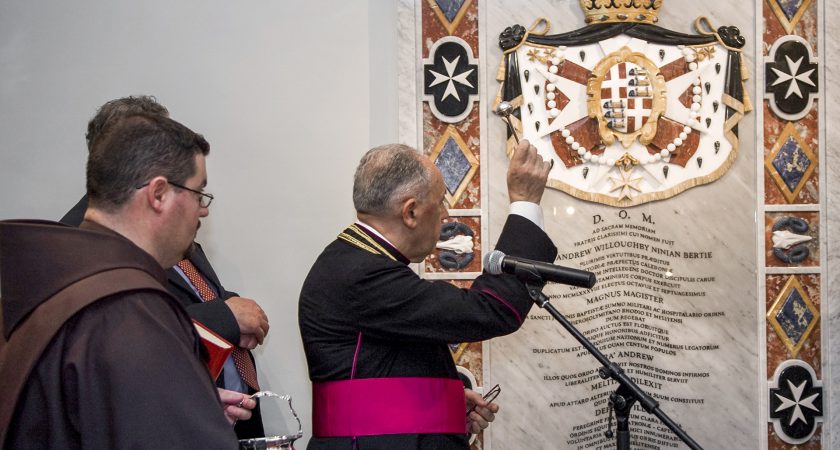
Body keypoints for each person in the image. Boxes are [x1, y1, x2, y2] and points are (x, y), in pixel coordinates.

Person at [0, 113, 254, 448]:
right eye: (198, 193)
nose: (202, 211)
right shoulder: (129, 309)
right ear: (159, 194)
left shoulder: (60, 279)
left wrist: (188, 410)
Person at [298, 140, 558, 449]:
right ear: (410, 212)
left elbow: (379, 368)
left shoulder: (356, 260)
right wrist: (525, 203)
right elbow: (490, 309)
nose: (446, 213)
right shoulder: (364, 274)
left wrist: (441, 406)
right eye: (440, 201)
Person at [59, 96, 269, 438]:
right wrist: (225, 317)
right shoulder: (80, 248)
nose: (203, 209)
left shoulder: (157, 235)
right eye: (198, 193)